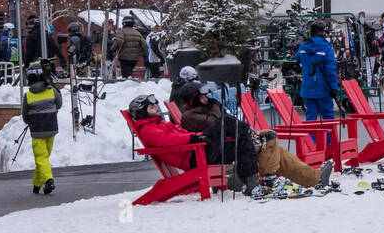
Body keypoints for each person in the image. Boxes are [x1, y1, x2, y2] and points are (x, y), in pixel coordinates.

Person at [178, 82, 333, 191]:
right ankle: (272, 178)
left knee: (272, 142)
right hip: (219, 151)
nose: (206, 99)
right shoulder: (189, 116)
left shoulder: (203, 110)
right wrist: (214, 106)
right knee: (269, 143)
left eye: (206, 96)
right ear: (193, 99)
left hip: (230, 143)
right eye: (202, 97)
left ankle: (313, 178)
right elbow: (217, 123)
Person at [129, 92, 261, 195]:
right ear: (141, 112)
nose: (157, 109)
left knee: (243, 145)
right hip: (194, 156)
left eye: (155, 106)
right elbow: (168, 141)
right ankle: (251, 133)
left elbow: (180, 135)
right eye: (152, 107)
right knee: (225, 121)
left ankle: (252, 186)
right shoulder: (148, 130)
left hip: (198, 150)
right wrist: (193, 138)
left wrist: (197, 137)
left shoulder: (161, 125)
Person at [22, 62, 59, 195]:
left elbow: (25, 115)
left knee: (41, 157)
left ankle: (49, 180)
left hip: (37, 130)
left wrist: (30, 121)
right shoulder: (51, 90)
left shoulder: (28, 95)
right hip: (51, 128)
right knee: (44, 158)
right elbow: (59, 103)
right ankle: (37, 185)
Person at [297, 20, 339, 121]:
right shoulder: (327, 48)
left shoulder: (303, 46)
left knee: (311, 117)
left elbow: (297, 58)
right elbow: (331, 70)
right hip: (323, 88)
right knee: (328, 117)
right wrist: (334, 87)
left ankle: (312, 137)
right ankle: (329, 137)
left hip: (308, 87)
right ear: (322, 32)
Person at [111, 15, 146, 79]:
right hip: (134, 58)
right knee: (129, 72)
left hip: (124, 57)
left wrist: (112, 49)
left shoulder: (122, 32)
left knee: (125, 74)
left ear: (124, 23)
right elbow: (144, 45)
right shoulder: (138, 33)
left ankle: (127, 86)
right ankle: (129, 84)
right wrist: (141, 53)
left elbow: (118, 41)